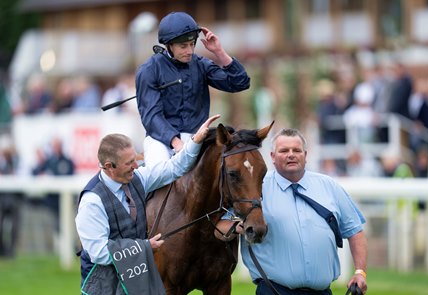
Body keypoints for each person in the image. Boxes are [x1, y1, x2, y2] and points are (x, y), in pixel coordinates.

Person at [75, 114, 220, 294]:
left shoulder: (138, 178)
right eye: (129, 163)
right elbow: (99, 252)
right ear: (109, 166)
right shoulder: (92, 202)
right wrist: (144, 247)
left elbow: (175, 167)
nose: (136, 165)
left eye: (134, 159)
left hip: (135, 279)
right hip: (103, 284)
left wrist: (195, 141)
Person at [216, 128, 368, 295]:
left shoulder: (329, 186)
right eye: (284, 151)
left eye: (296, 150)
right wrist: (238, 226)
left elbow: (355, 231)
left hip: (322, 292)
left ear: (305, 155)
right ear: (273, 157)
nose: (291, 154)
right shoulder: (256, 187)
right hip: (274, 291)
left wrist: (360, 272)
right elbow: (220, 227)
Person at [135, 11, 250, 167]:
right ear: (169, 45)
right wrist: (176, 142)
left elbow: (240, 83)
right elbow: (151, 116)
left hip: (197, 137)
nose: (189, 50)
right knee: (158, 171)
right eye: (183, 46)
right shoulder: (149, 70)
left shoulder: (201, 64)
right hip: (161, 141)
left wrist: (219, 52)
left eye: (192, 44)